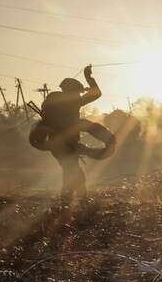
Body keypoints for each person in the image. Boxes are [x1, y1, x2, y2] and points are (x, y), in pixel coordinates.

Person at [29, 65, 114, 199]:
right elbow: (96, 93)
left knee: (71, 171)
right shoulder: (70, 102)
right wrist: (88, 77)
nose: (79, 95)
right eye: (77, 92)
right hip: (63, 146)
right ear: (70, 91)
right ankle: (74, 200)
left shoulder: (53, 102)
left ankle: (69, 199)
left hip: (63, 145)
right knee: (74, 172)